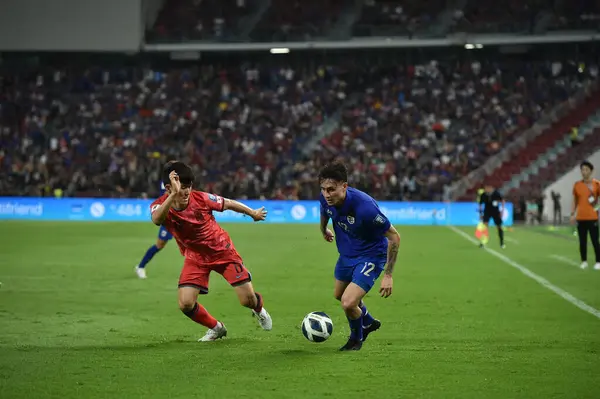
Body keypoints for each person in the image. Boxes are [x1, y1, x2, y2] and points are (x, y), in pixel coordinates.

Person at [150, 160, 273, 341]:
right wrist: (173, 194)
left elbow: (229, 203)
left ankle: (259, 309)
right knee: (185, 304)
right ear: (169, 187)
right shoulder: (160, 205)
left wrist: (252, 213)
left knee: (247, 301)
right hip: (196, 257)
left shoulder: (201, 199)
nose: (186, 192)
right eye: (182, 187)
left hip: (222, 251)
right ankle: (217, 328)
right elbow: (156, 219)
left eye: (188, 186)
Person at [318, 161, 400, 351]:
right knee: (339, 295)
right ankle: (368, 321)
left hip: (371, 256)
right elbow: (325, 211)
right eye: (323, 189)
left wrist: (388, 275)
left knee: (348, 303)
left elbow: (394, 237)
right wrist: (323, 229)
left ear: (344, 186)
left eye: (331, 189)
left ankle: (356, 339)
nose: (327, 194)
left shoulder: (365, 207)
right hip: (347, 255)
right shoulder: (325, 199)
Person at [135, 182, 172, 279]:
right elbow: (165, 196)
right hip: (168, 218)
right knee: (159, 245)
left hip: (182, 218)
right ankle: (140, 267)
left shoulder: (180, 177)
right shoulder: (167, 180)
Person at [569, 161, 600, 270]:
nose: (584, 172)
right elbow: (574, 201)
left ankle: (598, 261)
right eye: (582, 170)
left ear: (591, 171)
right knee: (582, 241)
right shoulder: (577, 185)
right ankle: (584, 261)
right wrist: (572, 214)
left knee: (595, 240)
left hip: (593, 217)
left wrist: (597, 209)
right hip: (581, 217)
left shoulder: (597, 184)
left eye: (586, 169)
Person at [478, 184, 505, 248]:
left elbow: (502, 201)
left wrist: (502, 211)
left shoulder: (496, 193)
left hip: (496, 212)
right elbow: (480, 204)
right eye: (485, 188)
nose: (486, 189)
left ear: (491, 187)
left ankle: (502, 243)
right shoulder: (483, 195)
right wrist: (480, 214)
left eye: (487, 188)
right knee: (485, 226)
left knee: (499, 227)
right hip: (487, 211)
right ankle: (483, 242)